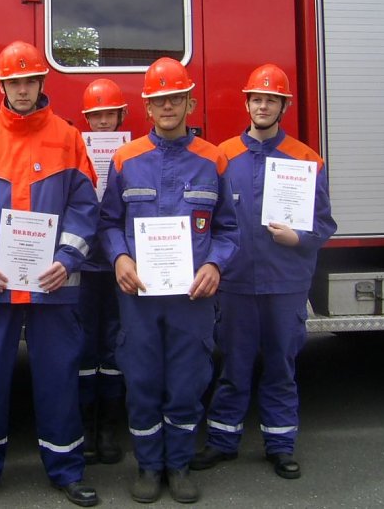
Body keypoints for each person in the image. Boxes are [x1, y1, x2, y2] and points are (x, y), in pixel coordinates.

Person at [0, 40, 100, 508]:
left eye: (29, 80)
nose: (22, 89)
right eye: (14, 82)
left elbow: (84, 205)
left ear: (41, 83)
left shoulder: (68, 137)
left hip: (52, 284)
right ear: (2, 85)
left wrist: (67, 259)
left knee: (58, 376)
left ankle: (66, 468)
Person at [98, 57, 238, 504]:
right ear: (147, 107)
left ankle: (177, 465)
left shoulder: (213, 159)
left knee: (186, 381)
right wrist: (119, 257)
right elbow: (108, 222)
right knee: (140, 379)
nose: (168, 106)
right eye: (159, 100)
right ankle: (148, 465)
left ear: (190, 101)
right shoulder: (126, 159)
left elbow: (229, 229)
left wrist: (215, 264)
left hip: (191, 300)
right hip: (138, 297)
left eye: (175, 98)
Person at [190, 63, 336, 480]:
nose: (263, 105)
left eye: (272, 99)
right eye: (257, 98)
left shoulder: (306, 160)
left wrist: (299, 239)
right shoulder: (222, 156)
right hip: (235, 283)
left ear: (284, 106)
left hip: (285, 284)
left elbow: (324, 223)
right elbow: (210, 217)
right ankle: (222, 441)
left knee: (280, 366)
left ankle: (280, 444)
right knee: (232, 366)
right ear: (247, 103)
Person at [78, 78, 128, 466]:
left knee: (113, 345)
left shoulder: (132, 155)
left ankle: (109, 426)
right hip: (81, 262)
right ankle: (83, 425)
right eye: (95, 116)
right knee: (81, 345)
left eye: (108, 114)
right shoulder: (77, 149)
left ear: (120, 116)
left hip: (115, 263)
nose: (102, 123)